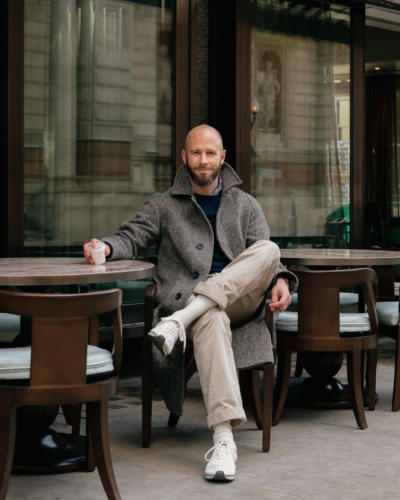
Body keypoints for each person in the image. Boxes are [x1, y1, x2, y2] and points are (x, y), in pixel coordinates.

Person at [83, 124, 296, 482]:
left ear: (222, 157)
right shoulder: (164, 204)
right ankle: (224, 441)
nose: (203, 160)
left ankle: (180, 321)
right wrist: (105, 247)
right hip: (199, 305)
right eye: (196, 153)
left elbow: (268, 260)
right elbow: (131, 236)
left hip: (240, 304)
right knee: (211, 317)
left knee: (270, 250)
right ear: (184, 157)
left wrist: (281, 280)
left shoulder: (246, 205)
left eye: (210, 153)